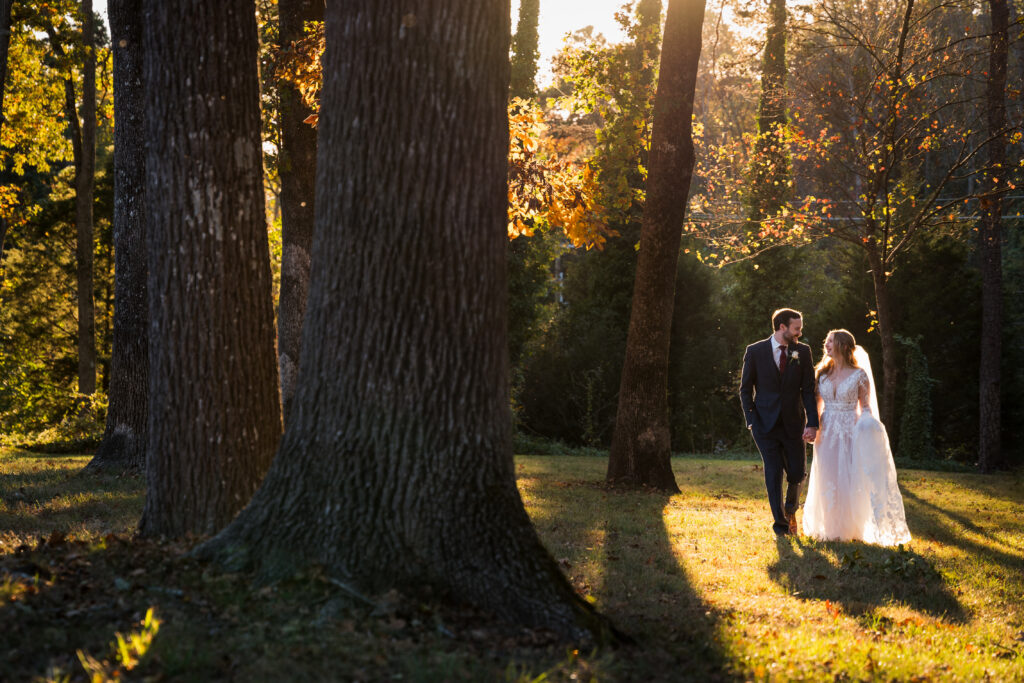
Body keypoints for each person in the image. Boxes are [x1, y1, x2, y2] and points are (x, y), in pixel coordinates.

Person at [802, 329, 911, 545]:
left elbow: (866, 406)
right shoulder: (822, 373)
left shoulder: (859, 375)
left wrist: (869, 425)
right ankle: (831, 528)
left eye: (831, 341)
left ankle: (852, 528)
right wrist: (810, 426)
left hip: (851, 430)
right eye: (827, 341)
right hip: (827, 433)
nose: (826, 345)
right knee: (828, 477)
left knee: (850, 478)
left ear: (843, 345)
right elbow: (816, 406)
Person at [740, 308, 819, 536]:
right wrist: (751, 419)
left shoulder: (802, 352)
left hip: (794, 424)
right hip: (764, 425)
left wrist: (811, 423)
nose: (799, 334)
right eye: (796, 329)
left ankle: (790, 509)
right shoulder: (755, 351)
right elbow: (745, 389)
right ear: (782, 327)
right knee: (773, 472)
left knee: (797, 473)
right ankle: (781, 526)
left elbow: (807, 391)